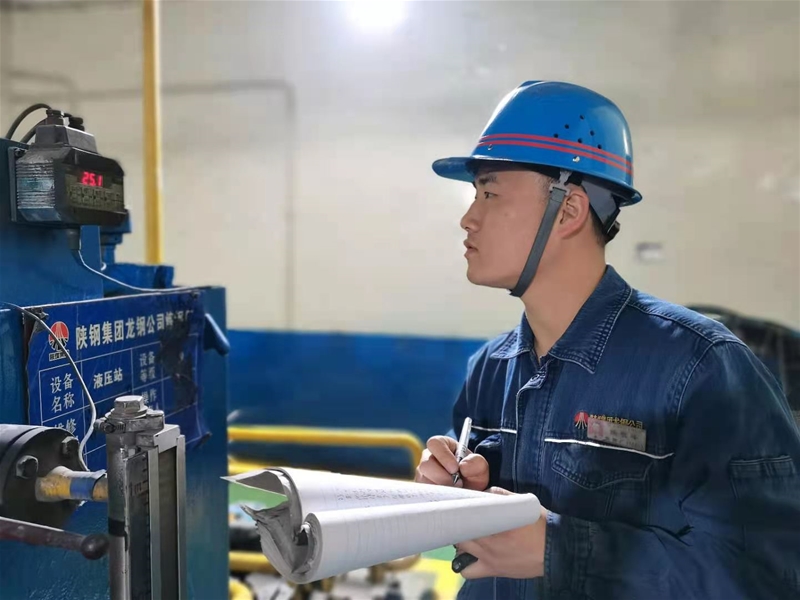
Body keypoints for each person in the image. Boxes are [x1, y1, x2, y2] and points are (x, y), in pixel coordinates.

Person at [415, 81, 800, 600]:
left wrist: (559, 550)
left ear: (569, 211)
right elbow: (461, 541)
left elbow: (770, 575)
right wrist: (446, 497)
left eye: (489, 193)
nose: (468, 218)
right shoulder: (491, 367)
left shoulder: (701, 368)